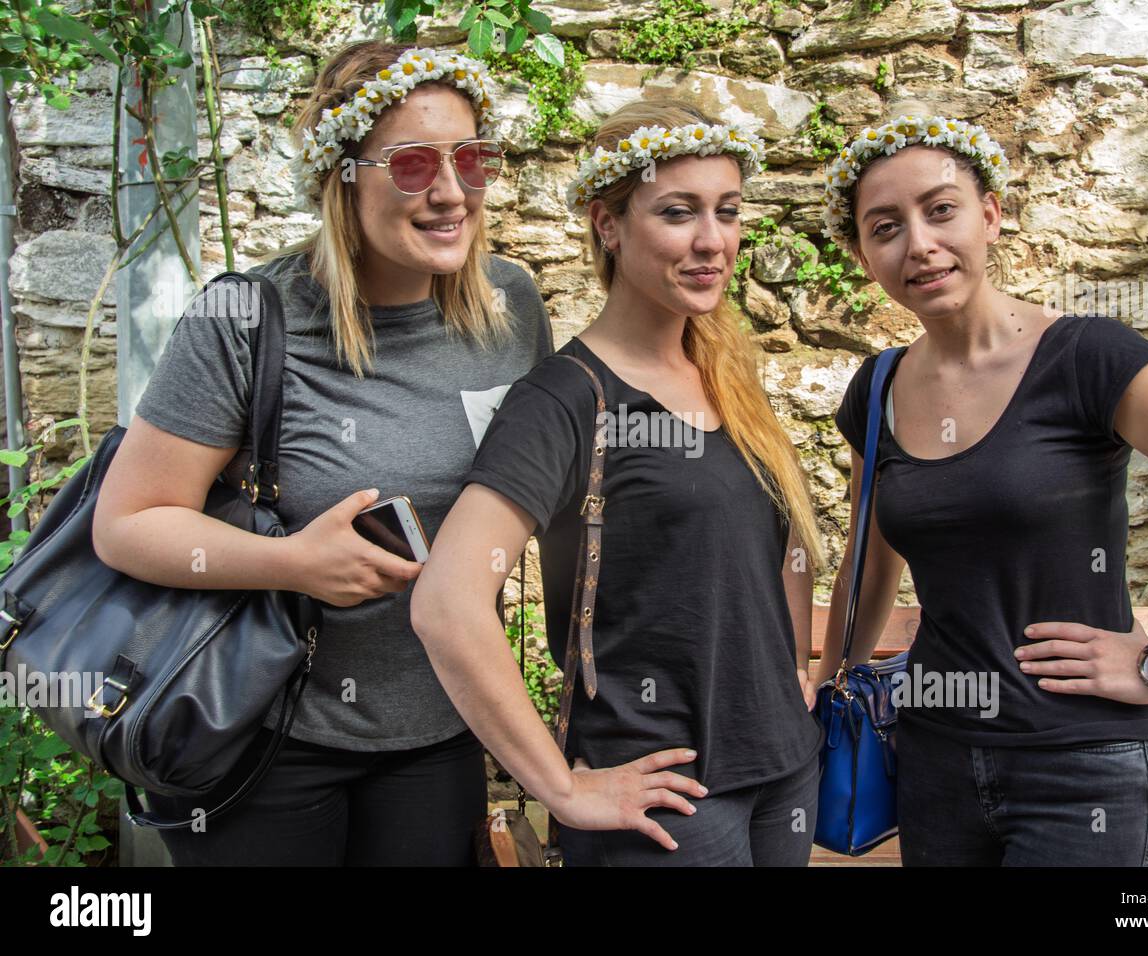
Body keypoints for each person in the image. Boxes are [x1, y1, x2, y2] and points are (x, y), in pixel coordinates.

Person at [91, 40, 553, 866]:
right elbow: (128, 524)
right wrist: (295, 562)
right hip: (268, 735)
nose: (452, 193)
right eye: (412, 166)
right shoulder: (248, 317)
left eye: (473, 159)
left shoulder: (510, 307)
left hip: (442, 728)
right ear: (342, 175)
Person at [813, 113, 1148, 866]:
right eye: (885, 228)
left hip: (1087, 769)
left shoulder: (1087, 356)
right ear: (864, 255)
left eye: (941, 210)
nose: (919, 244)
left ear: (992, 216)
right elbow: (869, 564)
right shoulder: (876, 388)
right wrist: (827, 685)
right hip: (936, 760)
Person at [410, 100, 827, 866]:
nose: (713, 241)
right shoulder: (565, 398)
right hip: (666, 801)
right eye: (678, 213)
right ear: (608, 224)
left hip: (785, 770)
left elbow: (775, 545)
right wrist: (562, 790)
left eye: (727, 212)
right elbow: (446, 601)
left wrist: (795, 675)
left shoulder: (727, 375)